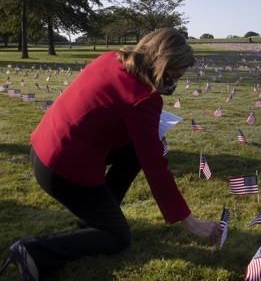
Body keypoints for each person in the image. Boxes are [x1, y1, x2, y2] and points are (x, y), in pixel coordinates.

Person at [0, 28, 221, 281]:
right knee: (118, 236)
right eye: (173, 75)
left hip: (44, 148)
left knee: (133, 153)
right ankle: (33, 252)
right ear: (161, 63)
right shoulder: (143, 99)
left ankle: (97, 218)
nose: (174, 83)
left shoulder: (112, 59)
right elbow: (156, 168)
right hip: (62, 169)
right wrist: (190, 222)